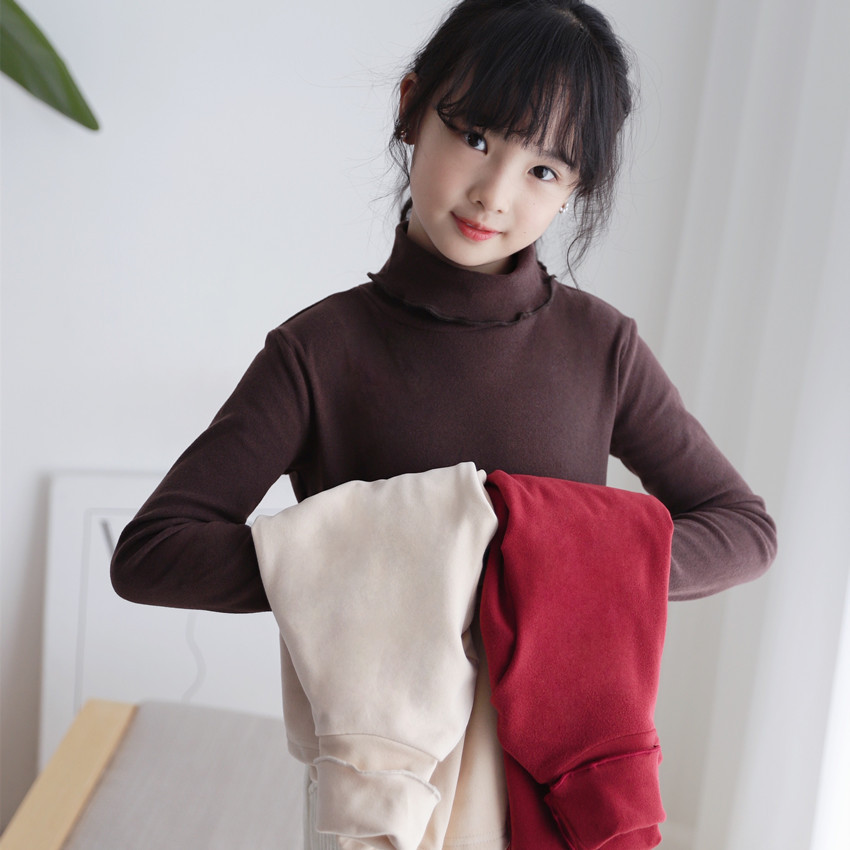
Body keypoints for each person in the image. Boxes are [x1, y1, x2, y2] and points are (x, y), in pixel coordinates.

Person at [112, 0, 777, 844]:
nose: (495, 194)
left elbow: (745, 529)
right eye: (476, 137)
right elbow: (153, 554)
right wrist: (360, 564)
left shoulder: (601, 347)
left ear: (577, 189)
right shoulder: (318, 351)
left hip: (560, 790)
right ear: (410, 108)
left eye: (545, 170)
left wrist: (563, 565)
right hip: (376, 796)